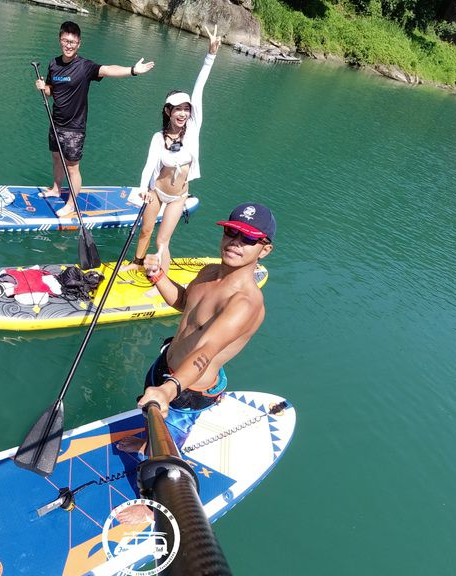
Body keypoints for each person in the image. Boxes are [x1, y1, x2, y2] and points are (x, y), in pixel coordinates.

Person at [134, 202, 276, 420]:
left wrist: (168, 390)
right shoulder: (208, 271)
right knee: (147, 420)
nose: (235, 242)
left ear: (264, 250)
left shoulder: (245, 303)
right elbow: (183, 302)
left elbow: (206, 350)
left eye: (248, 238)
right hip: (165, 366)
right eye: (231, 231)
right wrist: (157, 275)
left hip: (186, 390)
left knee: (162, 445)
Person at [123, 25, 220, 272]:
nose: (183, 113)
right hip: (157, 192)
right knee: (145, 230)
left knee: (162, 240)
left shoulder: (194, 129)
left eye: (186, 109)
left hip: (178, 197)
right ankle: (137, 264)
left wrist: (210, 55)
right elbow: (148, 166)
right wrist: (143, 189)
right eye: (178, 109)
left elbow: (198, 90)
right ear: (168, 111)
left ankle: (161, 282)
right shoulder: (159, 137)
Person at [35, 20, 155, 218]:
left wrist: (132, 70)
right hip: (55, 123)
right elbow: (51, 90)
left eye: (73, 42)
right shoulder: (53, 64)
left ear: (79, 43)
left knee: (73, 168)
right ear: (60, 40)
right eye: (65, 41)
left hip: (74, 128)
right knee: (56, 157)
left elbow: (108, 69)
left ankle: (72, 204)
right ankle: (56, 189)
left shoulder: (84, 66)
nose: (69, 45)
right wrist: (43, 88)